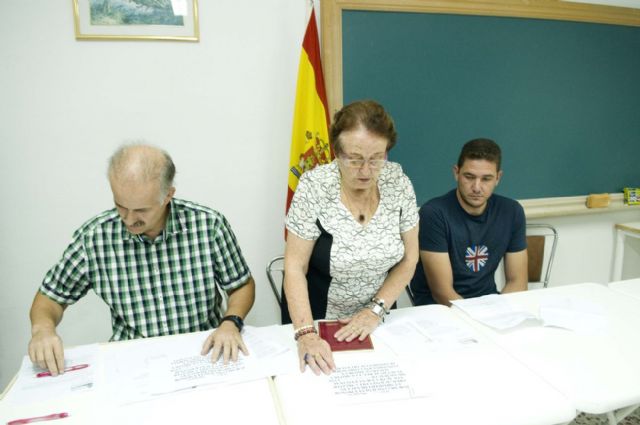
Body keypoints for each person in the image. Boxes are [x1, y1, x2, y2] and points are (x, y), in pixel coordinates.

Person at [28, 144, 255, 375]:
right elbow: (50, 298)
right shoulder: (94, 238)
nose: (128, 219)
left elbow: (241, 285)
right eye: (120, 206)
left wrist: (231, 322)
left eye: (141, 210)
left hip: (202, 355)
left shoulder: (208, 225)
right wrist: (42, 329)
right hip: (134, 364)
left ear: (168, 195)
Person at [283, 100, 419, 375]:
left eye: (377, 158)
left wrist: (375, 311)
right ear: (337, 152)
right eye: (355, 159)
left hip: (378, 316)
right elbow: (295, 267)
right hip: (318, 319)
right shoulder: (314, 187)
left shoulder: (398, 182)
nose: (366, 171)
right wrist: (306, 334)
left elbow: (410, 258)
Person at [409, 138, 527, 306]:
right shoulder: (433, 213)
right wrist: (480, 317)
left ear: (498, 178)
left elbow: (518, 282)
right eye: (469, 177)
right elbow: (443, 292)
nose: (477, 187)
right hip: (439, 309)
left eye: (486, 179)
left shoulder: (512, 211)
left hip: (487, 306)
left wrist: (498, 312)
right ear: (456, 173)